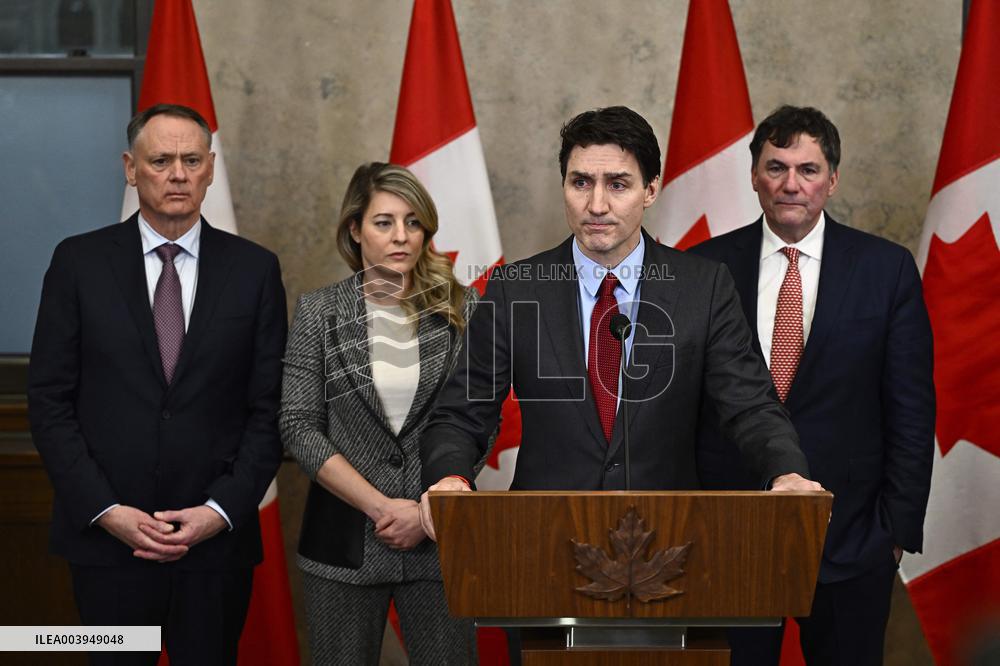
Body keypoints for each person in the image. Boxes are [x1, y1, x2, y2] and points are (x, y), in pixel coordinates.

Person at [418, 105, 821, 539]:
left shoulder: (703, 287)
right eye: (581, 183)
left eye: (618, 184)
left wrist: (786, 473)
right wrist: (451, 476)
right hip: (543, 538)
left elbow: (750, 404)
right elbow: (461, 413)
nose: (596, 205)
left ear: (650, 190)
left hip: (669, 540)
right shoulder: (516, 288)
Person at [27, 103, 287, 665]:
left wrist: (218, 511)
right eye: (161, 160)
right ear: (130, 167)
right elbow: (49, 402)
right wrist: (106, 510)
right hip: (107, 543)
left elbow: (270, 410)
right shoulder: (78, 263)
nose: (177, 174)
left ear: (211, 169)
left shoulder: (255, 269)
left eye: (191, 160)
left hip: (214, 546)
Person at [689, 105, 935, 666]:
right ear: (754, 176)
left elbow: (912, 410)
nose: (791, 184)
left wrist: (894, 530)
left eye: (808, 169)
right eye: (776, 168)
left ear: (832, 179)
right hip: (732, 536)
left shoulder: (886, 269)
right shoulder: (703, 268)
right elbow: (685, 409)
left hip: (852, 534)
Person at [280, 162, 480, 665]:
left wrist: (423, 511)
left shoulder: (462, 307)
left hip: (437, 536)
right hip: (342, 539)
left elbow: (479, 419)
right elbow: (298, 424)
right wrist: (380, 507)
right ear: (355, 228)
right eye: (384, 221)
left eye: (413, 222)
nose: (401, 237)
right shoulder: (319, 311)